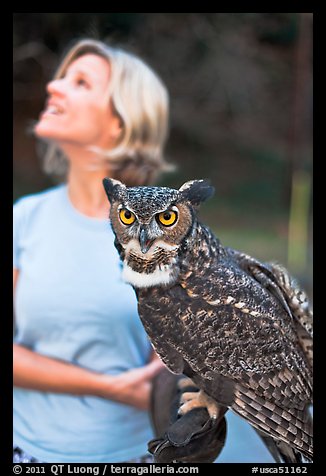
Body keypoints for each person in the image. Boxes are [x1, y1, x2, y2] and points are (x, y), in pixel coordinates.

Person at [13, 38, 171, 463]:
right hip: (24, 451)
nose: (53, 88)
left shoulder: (167, 236)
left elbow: (173, 371)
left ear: (119, 123)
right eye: (61, 78)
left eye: (79, 83)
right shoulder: (23, 221)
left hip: (132, 455)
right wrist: (107, 386)